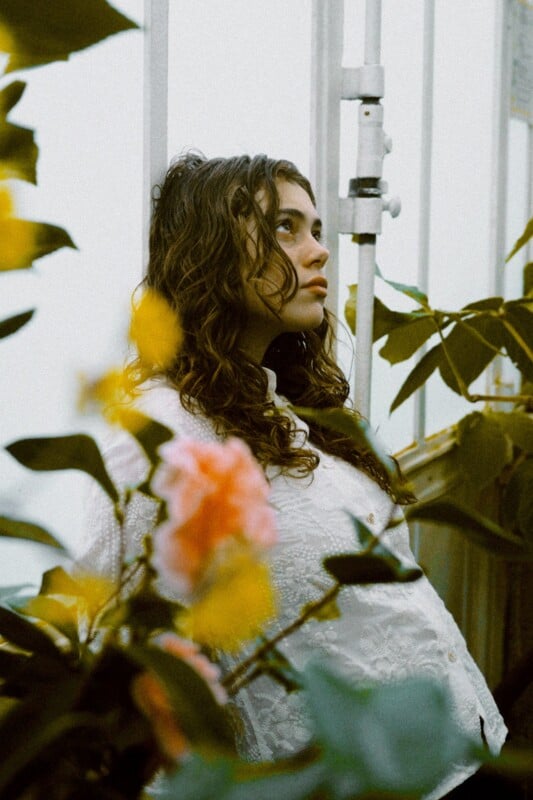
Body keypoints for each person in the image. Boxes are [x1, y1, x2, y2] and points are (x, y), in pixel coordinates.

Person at [80, 152, 509, 799]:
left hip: (465, 746)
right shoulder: (159, 436)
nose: (318, 251)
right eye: (285, 228)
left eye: (315, 229)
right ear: (210, 252)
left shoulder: (291, 407)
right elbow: (120, 662)